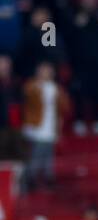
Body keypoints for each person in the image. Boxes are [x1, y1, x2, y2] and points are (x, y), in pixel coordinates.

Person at [21, 60, 68, 192]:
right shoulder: (32, 85)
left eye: (47, 70)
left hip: (50, 127)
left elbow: (63, 107)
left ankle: (48, 177)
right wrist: (39, 83)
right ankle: (31, 178)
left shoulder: (56, 88)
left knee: (48, 155)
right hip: (35, 127)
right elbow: (27, 94)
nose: (45, 73)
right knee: (36, 153)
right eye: (43, 70)